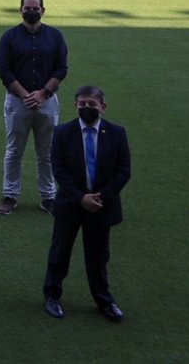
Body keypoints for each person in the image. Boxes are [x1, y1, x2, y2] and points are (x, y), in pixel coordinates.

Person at [43, 86, 130, 322]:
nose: (86, 108)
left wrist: (101, 197)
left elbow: (123, 171)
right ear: (76, 106)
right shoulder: (63, 132)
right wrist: (80, 197)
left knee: (98, 256)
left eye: (92, 104)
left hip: (102, 206)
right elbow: (58, 170)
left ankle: (104, 300)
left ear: (103, 107)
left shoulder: (117, 133)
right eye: (82, 104)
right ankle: (52, 296)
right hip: (71, 204)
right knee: (60, 253)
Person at [0, 0, 69, 216]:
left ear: (43, 10)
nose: (32, 11)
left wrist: (43, 93)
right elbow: (4, 70)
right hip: (18, 102)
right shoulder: (9, 37)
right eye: (27, 8)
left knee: (47, 152)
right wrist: (26, 94)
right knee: (14, 151)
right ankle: (10, 196)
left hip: (47, 101)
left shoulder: (55, 37)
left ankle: (48, 197)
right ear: (21, 10)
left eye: (36, 8)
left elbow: (61, 69)